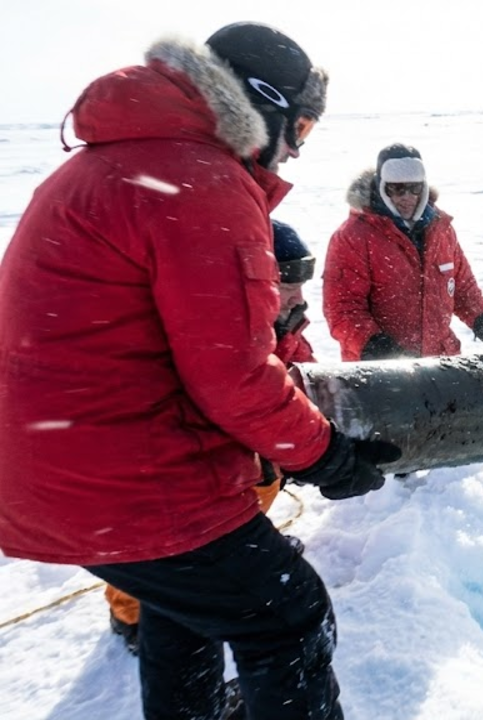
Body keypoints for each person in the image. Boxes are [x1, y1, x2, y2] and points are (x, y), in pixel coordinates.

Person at [0, 23, 401, 719]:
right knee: (288, 616)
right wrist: (326, 456)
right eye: (300, 125)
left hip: (52, 470)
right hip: (120, 479)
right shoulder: (200, 179)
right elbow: (233, 377)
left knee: (182, 598)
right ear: (262, 104)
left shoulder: (112, 162)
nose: (297, 146)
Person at [104, 220, 320, 655]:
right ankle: (131, 614)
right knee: (152, 541)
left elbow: (304, 380)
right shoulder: (216, 329)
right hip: (163, 475)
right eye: (286, 283)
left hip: (242, 457)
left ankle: (244, 543)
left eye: (301, 282)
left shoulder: (283, 325)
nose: (297, 295)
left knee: (265, 475)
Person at [324, 143, 483, 360]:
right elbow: (343, 310)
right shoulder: (353, 237)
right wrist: (383, 352)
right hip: (379, 377)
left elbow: (464, 291)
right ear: (383, 187)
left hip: (439, 367)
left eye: (414, 188)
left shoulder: (441, 229)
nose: (407, 197)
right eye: (397, 189)